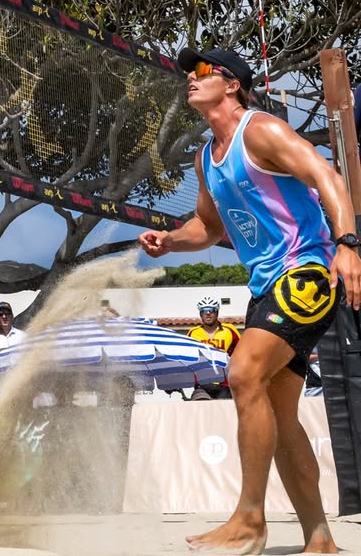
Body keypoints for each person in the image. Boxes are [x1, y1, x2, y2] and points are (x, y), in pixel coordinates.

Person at [138, 46, 361, 555]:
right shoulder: (205, 157)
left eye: (200, 72)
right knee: (281, 420)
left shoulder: (260, 130)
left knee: (241, 374)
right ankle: (320, 539)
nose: (189, 79)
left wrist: (348, 245)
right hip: (265, 289)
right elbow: (209, 228)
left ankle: (250, 518)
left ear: (231, 84)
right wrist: (171, 240)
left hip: (305, 272)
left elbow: (328, 177)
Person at [187, 296, 241, 400]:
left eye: (211, 310)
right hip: (202, 383)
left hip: (225, 384)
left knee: (224, 413)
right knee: (201, 412)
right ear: (200, 314)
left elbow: (242, 352)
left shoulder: (229, 330)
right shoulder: (193, 333)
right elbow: (186, 358)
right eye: (204, 311)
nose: (208, 313)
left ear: (217, 312)